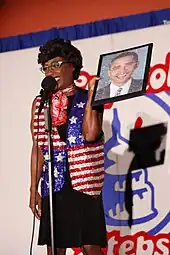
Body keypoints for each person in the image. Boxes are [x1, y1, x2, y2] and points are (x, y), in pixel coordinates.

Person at [29, 38, 107, 255]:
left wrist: (92, 97)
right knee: (55, 246)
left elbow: (91, 134)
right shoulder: (40, 103)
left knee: (90, 246)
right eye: (45, 67)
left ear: (72, 66)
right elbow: (38, 147)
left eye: (55, 64)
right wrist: (33, 188)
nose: (49, 71)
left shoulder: (88, 96)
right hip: (54, 184)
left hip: (84, 183)